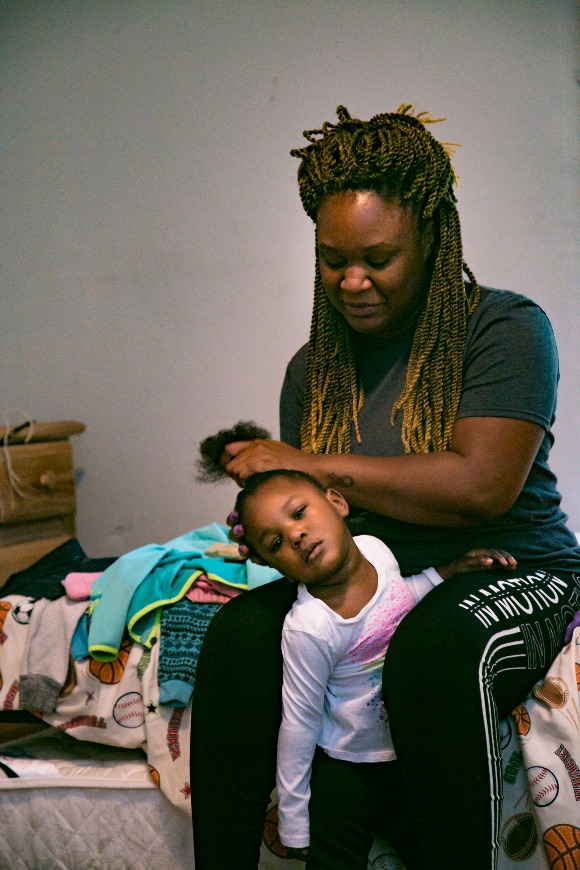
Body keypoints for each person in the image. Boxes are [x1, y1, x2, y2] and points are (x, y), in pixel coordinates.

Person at [190, 104, 580, 870]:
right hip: (378, 578)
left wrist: (306, 460)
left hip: (515, 565)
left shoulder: (503, 328)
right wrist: (278, 537)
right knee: (237, 635)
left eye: (379, 257)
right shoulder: (314, 372)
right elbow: (334, 519)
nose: (353, 280)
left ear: (433, 239)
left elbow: (481, 487)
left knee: (432, 650)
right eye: (333, 260)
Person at [232, 467, 518, 870]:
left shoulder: (375, 549)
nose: (295, 534)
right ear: (275, 566)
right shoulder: (310, 627)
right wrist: (294, 823)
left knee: (435, 849)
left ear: (337, 503)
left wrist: (446, 573)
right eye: (276, 542)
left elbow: (400, 598)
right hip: (347, 761)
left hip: (407, 751)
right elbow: (299, 723)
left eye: (299, 513)